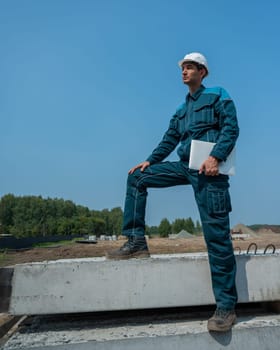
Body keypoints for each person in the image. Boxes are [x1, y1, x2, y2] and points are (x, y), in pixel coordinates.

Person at [106, 52, 239, 332]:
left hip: (209, 173)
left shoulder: (218, 95)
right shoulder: (181, 109)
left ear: (203, 72)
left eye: (190, 67)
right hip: (183, 165)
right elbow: (169, 138)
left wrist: (216, 157)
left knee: (217, 240)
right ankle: (136, 242)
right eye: (183, 68)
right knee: (137, 178)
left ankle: (226, 307)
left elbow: (231, 128)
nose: (184, 71)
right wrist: (151, 161)